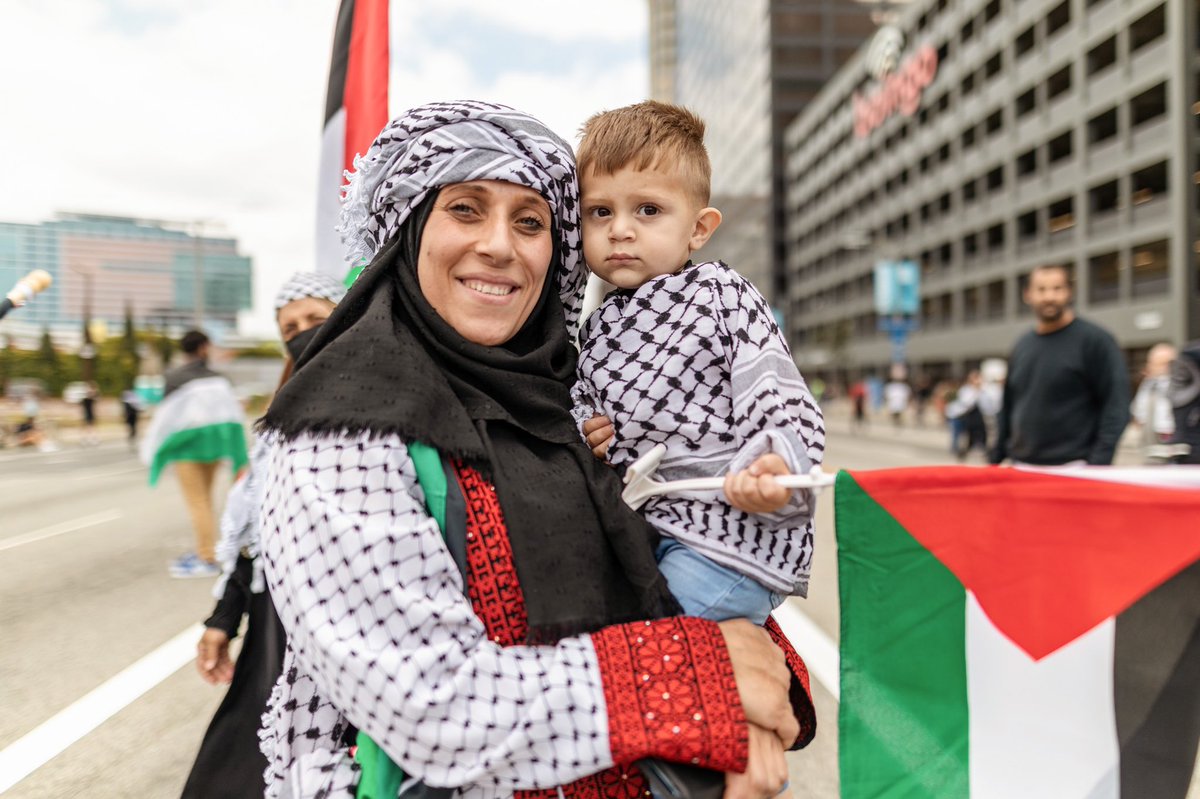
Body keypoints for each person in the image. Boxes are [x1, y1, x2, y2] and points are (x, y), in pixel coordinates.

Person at [257, 101, 812, 799]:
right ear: (407, 229)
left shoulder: (562, 404)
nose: (499, 245)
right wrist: (699, 683)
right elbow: (432, 706)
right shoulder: (341, 429)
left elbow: (649, 581)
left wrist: (748, 689)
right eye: (464, 208)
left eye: (530, 221)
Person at [571, 100, 825, 629]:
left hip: (727, 533)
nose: (620, 229)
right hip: (646, 530)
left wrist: (772, 464)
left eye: (648, 210)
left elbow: (775, 390)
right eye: (601, 211)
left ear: (698, 228)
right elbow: (581, 405)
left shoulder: (720, 294)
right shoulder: (595, 328)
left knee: (655, 646)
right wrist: (586, 432)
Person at [181, 272, 346, 799]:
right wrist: (223, 619)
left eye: (316, 319)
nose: (303, 333)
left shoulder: (392, 392)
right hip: (275, 626)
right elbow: (254, 531)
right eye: (290, 328)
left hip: (349, 627)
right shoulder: (279, 420)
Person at [989, 264, 1130, 466]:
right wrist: (995, 459)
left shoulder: (1096, 341)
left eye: (1057, 288)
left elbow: (1116, 406)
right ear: (1027, 295)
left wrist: (1097, 465)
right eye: (1041, 289)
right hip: (1022, 466)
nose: (1049, 297)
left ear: (1069, 292)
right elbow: (1009, 407)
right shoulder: (1022, 345)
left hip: (1074, 468)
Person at [141, 330, 249, 577]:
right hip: (214, 449)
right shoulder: (218, 379)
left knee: (197, 503)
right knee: (206, 501)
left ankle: (206, 556)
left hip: (187, 451)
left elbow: (166, 419)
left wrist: (157, 447)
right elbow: (231, 414)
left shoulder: (174, 378)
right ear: (203, 347)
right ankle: (208, 549)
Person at [1130, 342, 1177, 463]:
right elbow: (1137, 409)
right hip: (1148, 435)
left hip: (1168, 435)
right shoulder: (1147, 384)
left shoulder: (1178, 383)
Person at [945, 370, 991, 461]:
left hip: (977, 418)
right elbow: (966, 403)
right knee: (961, 435)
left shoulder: (983, 390)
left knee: (979, 434)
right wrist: (976, 392)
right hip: (964, 416)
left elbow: (987, 405)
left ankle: (977, 449)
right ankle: (959, 451)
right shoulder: (966, 390)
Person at [79, 380, 98, 446]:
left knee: (90, 427)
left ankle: (92, 439)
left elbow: (94, 396)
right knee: (87, 427)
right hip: (86, 413)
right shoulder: (85, 398)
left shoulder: (91, 398)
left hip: (90, 413)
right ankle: (85, 439)